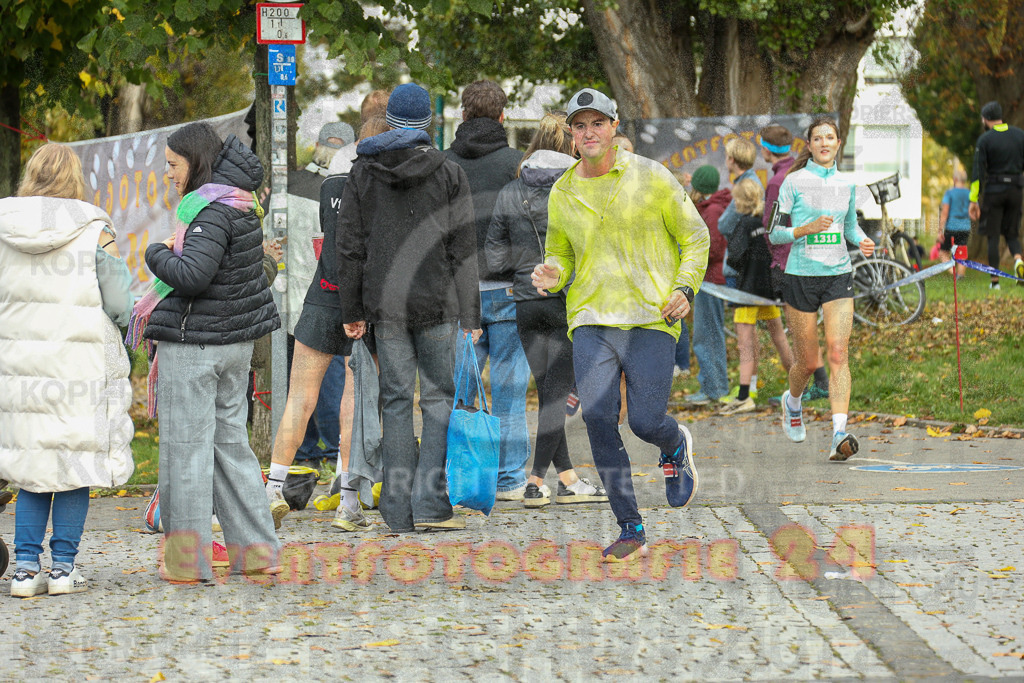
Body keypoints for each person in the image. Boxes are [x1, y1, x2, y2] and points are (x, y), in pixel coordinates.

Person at [532, 88, 709, 562]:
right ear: (571, 135)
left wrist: (685, 288)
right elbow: (561, 254)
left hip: (653, 316)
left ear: (614, 128)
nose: (588, 133)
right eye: (579, 126)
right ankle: (630, 525)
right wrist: (554, 273)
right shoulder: (563, 191)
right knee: (595, 417)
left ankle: (674, 444)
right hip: (591, 318)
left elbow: (695, 236)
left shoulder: (652, 177)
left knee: (646, 421)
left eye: (597, 123)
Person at [141, 122, 282, 580]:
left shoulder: (207, 210)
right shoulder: (239, 202)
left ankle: (185, 563)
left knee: (186, 451)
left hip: (196, 344)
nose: (168, 173)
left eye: (173, 164)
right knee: (230, 447)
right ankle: (257, 552)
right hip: (234, 345)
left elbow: (194, 275)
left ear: (195, 162)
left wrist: (155, 254)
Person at [338, 83, 480, 532]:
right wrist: (472, 316)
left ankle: (396, 510)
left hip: (386, 305)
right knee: (437, 400)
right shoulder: (449, 172)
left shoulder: (363, 171)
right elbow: (464, 250)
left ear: (390, 120)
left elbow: (350, 247)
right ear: (429, 125)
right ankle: (431, 505)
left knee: (396, 402)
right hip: (439, 303)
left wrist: (351, 308)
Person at [0, 144, 134, 597]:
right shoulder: (94, 228)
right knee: (75, 461)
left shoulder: (3, 223)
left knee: (32, 462)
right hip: (81, 363)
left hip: (19, 365)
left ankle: (22, 571)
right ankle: (61, 570)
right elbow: (119, 303)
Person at [265, 119, 392, 532]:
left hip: (321, 294)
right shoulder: (381, 183)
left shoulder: (329, 181)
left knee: (299, 397)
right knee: (354, 404)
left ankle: (272, 490)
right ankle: (348, 503)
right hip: (364, 304)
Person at [486, 111, 608, 509]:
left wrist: (525, 268)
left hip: (524, 304)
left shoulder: (509, 190)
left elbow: (493, 256)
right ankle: (536, 481)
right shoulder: (578, 186)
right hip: (567, 303)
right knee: (557, 397)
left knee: (550, 392)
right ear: (570, 143)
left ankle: (568, 479)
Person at [444, 80, 532, 501]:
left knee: (461, 389)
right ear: (503, 116)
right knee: (510, 387)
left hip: (458, 293)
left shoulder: (443, 165)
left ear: (463, 114)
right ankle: (511, 479)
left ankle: (460, 474)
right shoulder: (518, 165)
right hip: (512, 289)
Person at [768, 117, 874, 462]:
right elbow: (775, 233)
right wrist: (805, 229)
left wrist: (863, 240)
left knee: (838, 352)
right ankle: (792, 402)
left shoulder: (847, 183)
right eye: (818, 138)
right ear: (809, 145)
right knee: (808, 361)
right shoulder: (793, 182)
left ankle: (839, 432)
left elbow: (851, 227)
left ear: (838, 143)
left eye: (830, 137)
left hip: (838, 276)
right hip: (800, 277)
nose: (825, 142)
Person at [283, 121, 356, 471]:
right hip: (330, 298)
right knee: (335, 384)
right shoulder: (348, 191)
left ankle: (302, 456)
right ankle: (334, 456)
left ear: (316, 145)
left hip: (292, 299)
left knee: (297, 387)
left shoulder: (291, 184)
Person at [759, 124, 830, 407]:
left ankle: (808, 390)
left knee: (799, 329)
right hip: (808, 255)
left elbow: (771, 226)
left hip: (788, 261)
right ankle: (821, 383)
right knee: (804, 327)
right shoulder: (802, 173)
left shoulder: (778, 181)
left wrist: (775, 258)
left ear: (767, 149)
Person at [720, 178, 794, 415]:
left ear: (739, 201)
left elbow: (734, 257)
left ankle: (744, 395)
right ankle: (798, 386)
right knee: (779, 337)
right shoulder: (766, 224)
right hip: (767, 290)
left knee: (745, 343)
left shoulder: (743, 224)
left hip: (745, 292)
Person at [716, 137, 763, 403]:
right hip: (753, 270)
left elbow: (724, 224)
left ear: (732, 159)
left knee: (744, 333)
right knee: (753, 332)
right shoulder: (751, 181)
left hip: (742, 271)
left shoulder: (746, 185)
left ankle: (746, 392)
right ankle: (751, 384)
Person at [682, 165, 731, 406]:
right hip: (711, 278)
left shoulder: (711, 211)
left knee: (706, 335)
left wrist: (690, 254)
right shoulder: (714, 207)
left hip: (709, 279)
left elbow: (714, 248)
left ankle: (713, 389)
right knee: (710, 334)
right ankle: (715, 386)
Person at [967, 101, 1024, 289]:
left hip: (994, 191)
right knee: (1012, 234)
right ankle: (1018, 261)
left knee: (992, 236)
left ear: (985, 119)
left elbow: (977, 173)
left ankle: (995, 282)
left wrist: (973, 200)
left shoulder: (985, 140)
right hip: (1015, 190)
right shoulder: (1020, 135)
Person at [938, 166, 971, 279]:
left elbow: (945, 212)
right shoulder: (969, 193)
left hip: (952, 225)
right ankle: (961, 275)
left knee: (943, 252)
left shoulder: (949, 193)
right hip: (965, 226)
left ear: (955, 179)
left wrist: (940, 230)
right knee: (961, 252)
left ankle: (954, 274)